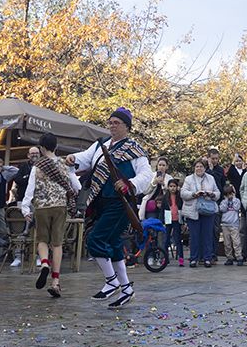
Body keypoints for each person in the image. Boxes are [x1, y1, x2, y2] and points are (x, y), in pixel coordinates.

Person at [67, 107, 154, 309]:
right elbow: (86, 158)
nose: (112, 126)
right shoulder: (102, 146)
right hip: (102, 201)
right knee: (114, 243)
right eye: (111, 122)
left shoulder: (135, 150)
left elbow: (146, 175)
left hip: (120, 203)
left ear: (127, 127)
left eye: (117, 123)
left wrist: (129, 184)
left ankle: (111, 280)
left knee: (94, 238)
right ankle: (126, 289)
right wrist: (73, 159)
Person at [20, 133, 80, 297]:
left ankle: (45, 263)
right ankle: (55, 282)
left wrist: (25, 209)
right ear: (56, 147)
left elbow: (29, 189)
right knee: (57, 244)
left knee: (42, 240)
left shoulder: (37, 166)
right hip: (60, 206)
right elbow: (77, 186)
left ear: (41, 148)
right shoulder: (65, 164)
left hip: (42, 207)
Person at [181, 160, 219, 268]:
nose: (199, 168)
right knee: (194, 236)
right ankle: (194, 258)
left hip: (208, 210)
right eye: (197, 166)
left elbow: (218, 193)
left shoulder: (211, 178)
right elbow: (183, 193)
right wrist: (194, 194)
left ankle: (207, 258)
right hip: (193, 210)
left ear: (205, 168)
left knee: (207, 235)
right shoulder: (188, 179)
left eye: (201, 166)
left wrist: (211, 194)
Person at [218, 184, 244, 266]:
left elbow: (237, 208)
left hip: (234, 224)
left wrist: (233, 199)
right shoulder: (223, 202)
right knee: (227, 243)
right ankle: (229, 257)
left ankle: (239, 256)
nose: (229, 196)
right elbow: (222, 209)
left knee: (236, 242)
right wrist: (226, 201)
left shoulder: (237, 201)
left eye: (230, 194)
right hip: (225, 224)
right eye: (227, 194)